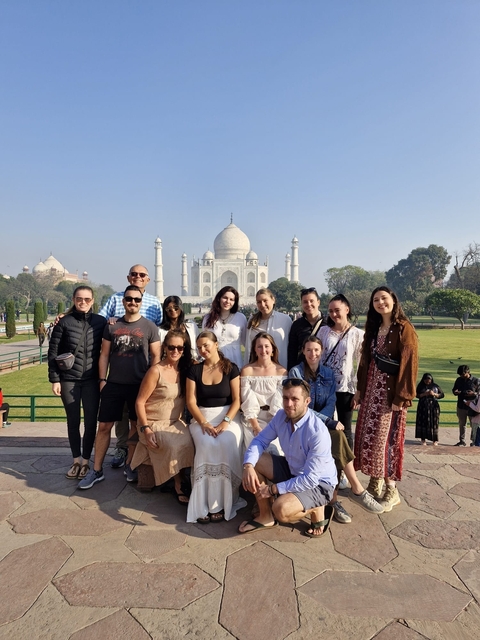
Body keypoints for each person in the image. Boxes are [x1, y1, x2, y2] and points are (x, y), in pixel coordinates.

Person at [290, 336, 384, 523]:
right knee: (338, 438)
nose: (312, 354)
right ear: (303, 351)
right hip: (301, 424)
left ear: (322, 350)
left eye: (316, 350)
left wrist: (324, 422)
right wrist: (328, 422)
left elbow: (331, 401)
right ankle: (356, 490)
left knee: (335, 443)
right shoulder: (296, 373)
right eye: (308, 350)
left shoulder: (327, 373)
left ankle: (334, 500)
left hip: (321, 424)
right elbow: (300, 407)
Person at [78, 285, 161, 489]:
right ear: (123, 301)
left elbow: (156, 358)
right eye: (129, 299)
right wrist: (102, 380)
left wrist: (151, 384)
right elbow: (104, 354)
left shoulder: (150, 327)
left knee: (135, 426)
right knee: (104, 426)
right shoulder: (112, 326)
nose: (133, 302)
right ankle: (96, 470)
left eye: (137, 299)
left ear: (142, 302)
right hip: (114, 383)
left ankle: (130, 465)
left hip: (139, 385)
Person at [239, 378, 337, 537]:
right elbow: (260, 440)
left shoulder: (317, 431)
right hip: (293, 469)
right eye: (285, 398)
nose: (288, 404)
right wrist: (248, 466)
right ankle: (265, 516)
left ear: (307, 401)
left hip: (319, 483)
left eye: (294, 399)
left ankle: (317, 507)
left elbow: (310, 479)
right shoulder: (280, 416)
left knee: (281, 510)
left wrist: (273, 489)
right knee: (255, 460)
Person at [354, 286, 418, 512]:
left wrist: (401, 397)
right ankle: (375, 481)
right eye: (376, 300)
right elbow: (365, 362)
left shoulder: (403, 328)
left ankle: (391, 490)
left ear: (393, 300)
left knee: (387, 442)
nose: (380, 303)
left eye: (384, 298)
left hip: (389, 396)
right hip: (371, 391)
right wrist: (360, 390)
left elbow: (409, 365)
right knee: (370, 440)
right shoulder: (374, 328)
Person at [98, 264, 163, 470]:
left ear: (148, 279)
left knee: (137, 419)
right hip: (117, 376)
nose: (132, 301)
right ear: (128, 278)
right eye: (134, 274)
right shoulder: (115, 299)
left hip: (140, 376)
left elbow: (155, 347)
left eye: (142, 275)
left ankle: (133, 461)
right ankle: (120, 449)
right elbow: (100, 322)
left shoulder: (153, 306)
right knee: (118, 419)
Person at [186, 331, 246, 523]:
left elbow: (237, 401)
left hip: (228, 418)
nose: (203, 350)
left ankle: (223, 502)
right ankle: (204, 502)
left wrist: (224, 423)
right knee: (206, 444)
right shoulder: (194, 371)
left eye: (206, 345)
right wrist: (203, 423)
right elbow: (190, 402)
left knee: (227, 441)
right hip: (201, 419)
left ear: (216, 344)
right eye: (199, 347)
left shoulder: (231, 368)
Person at [47, 286, 106, 479]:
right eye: (79, 299)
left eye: (87, 299)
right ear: (73, 299)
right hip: (69, 380)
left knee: (90, 423)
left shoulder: (100, 322)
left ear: (92, 301)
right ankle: (76, 460)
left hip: (91, 381)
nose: (83, 302)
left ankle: (87, 462)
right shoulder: (64, 322)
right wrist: (55, 379)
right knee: (73, 421)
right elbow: (53, 352)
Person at [131, 330, 194, 502]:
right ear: (165, 347)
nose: (176, 351)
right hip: (153, 422)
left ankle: (196, 482)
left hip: (175, 422)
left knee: (194, 441)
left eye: (180, 348)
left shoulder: (185, 369)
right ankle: (178, 484)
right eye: (172, 347)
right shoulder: (155, 371)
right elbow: (139, 402)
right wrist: (146, 429)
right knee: (174, 445)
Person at [317, 294, 364, 449]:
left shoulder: (357, 334)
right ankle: (328, 466)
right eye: (330, 311)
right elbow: (316, 356)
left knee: (345, 428)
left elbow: (362, 364)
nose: (334, 314)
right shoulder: (324, 331)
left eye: (337, 310)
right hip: (324, 386)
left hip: (345, 387)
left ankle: (344, 468)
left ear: (347, 309)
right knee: (324, 427)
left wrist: (358, 391)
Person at [240, 332, 287, 453]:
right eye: (259, 346)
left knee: (275, 447)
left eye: (267, 346)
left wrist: (272, 428)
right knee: (255, 447)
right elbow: (247, 400)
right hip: (252, 419)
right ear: (255, 350)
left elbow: (279, 402)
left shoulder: (281, 371)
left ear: (272, 349)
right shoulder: (247, 370)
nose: (263, 350)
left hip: (275, 419)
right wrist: (256, 427)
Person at [244, 289, 292, 369]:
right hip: (256, 367)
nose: (262, 305)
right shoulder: (252, 320)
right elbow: (248, 347)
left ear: (273, 300)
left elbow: (291, 346)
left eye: (265, 300)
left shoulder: (285, 320)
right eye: (259, 302)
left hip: (279, 368)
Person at [202, 286, 246, 370]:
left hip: (235, 362)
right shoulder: (208, 318)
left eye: (231, 299)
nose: (227, 301)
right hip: (214, 363)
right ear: (219, 298)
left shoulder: (241, 318)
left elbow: (246, 343)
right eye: (225, 298)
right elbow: (203, 342)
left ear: (235, 302)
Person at [287, 287, 324, 371]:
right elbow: (292, 351)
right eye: (305, 302)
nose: (308, 304)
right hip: (303, 371)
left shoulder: (328, 323)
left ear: (318, 302)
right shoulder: (297, 325)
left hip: (324, 371)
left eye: (311, 301)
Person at [452, 365, 480, 446]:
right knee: (462, 424)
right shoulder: (458, 380)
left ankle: (474, 441)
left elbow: (479, 393)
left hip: (472, 406)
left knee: (473, 424)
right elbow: (454, 389)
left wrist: (473, 393)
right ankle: (462, 441)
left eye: (463, 374)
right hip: (461, 405)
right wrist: (455, 392)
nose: (462, 376)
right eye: (460, 375)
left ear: (468, 372)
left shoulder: (475, 380)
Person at [415, 373, 444, 445]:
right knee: (423, 422)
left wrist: (434, 394)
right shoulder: (421, 386)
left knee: (434, 423)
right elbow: (416, 395)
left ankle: (435, 440)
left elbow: (442, 394)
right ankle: (423, 439)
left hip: (433, 407)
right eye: (426, 380)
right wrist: (425, 394)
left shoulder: (435, 386)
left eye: (429, 380)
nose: (428, 382)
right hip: (423, 407)